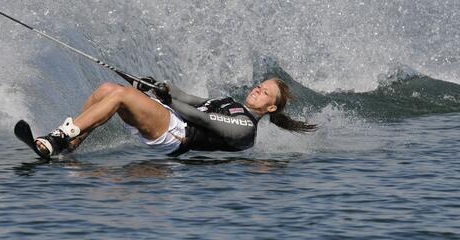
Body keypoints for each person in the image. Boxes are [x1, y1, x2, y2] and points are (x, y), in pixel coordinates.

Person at [32, 77, 316, 159]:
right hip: (173, 120)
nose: (258, 90)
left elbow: (202, 120)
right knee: (109, 89)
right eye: (259, 85)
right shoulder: (228, 102)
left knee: (121, 96)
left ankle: (58, 138)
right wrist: (161, 88)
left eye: (265, 92)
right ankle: (71, 145)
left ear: (270, 109)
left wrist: (164, 100)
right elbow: (188, 99)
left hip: (177, 136)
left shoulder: (245, 129)